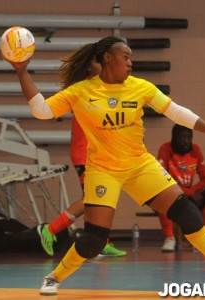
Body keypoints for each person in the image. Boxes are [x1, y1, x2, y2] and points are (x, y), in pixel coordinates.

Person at [8, 36, 205, 296]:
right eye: (125, 56)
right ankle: (54, 277)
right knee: (94, 240)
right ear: (107, 58)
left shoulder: (140, 87)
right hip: (103, 170)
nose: (130, 62)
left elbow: (177, 112)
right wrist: (22, 71)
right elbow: (41, 110)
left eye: (130, 57)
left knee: (187, 214)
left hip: (140, 165)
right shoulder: (81, 91)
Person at [36, 46, 126, 257]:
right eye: (99, 63)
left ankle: (101, 241)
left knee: (102, 198)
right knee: (92, 200)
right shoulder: (83, 89)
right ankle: (50, 229)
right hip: (85, 153)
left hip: (99, 154)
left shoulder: (103, 87)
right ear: (89, 66)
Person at [157, 124, 205, 252]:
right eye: (182, 137)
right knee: (160, 192)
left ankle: (202, 238)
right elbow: (161, 178)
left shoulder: (195, 150)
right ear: (174, 138)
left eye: (189, 137)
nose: (186, 141)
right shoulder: (165, 149)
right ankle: (170, 238)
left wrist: (192, 192)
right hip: (171, 193)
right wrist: (189, 192)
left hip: (190, 195)